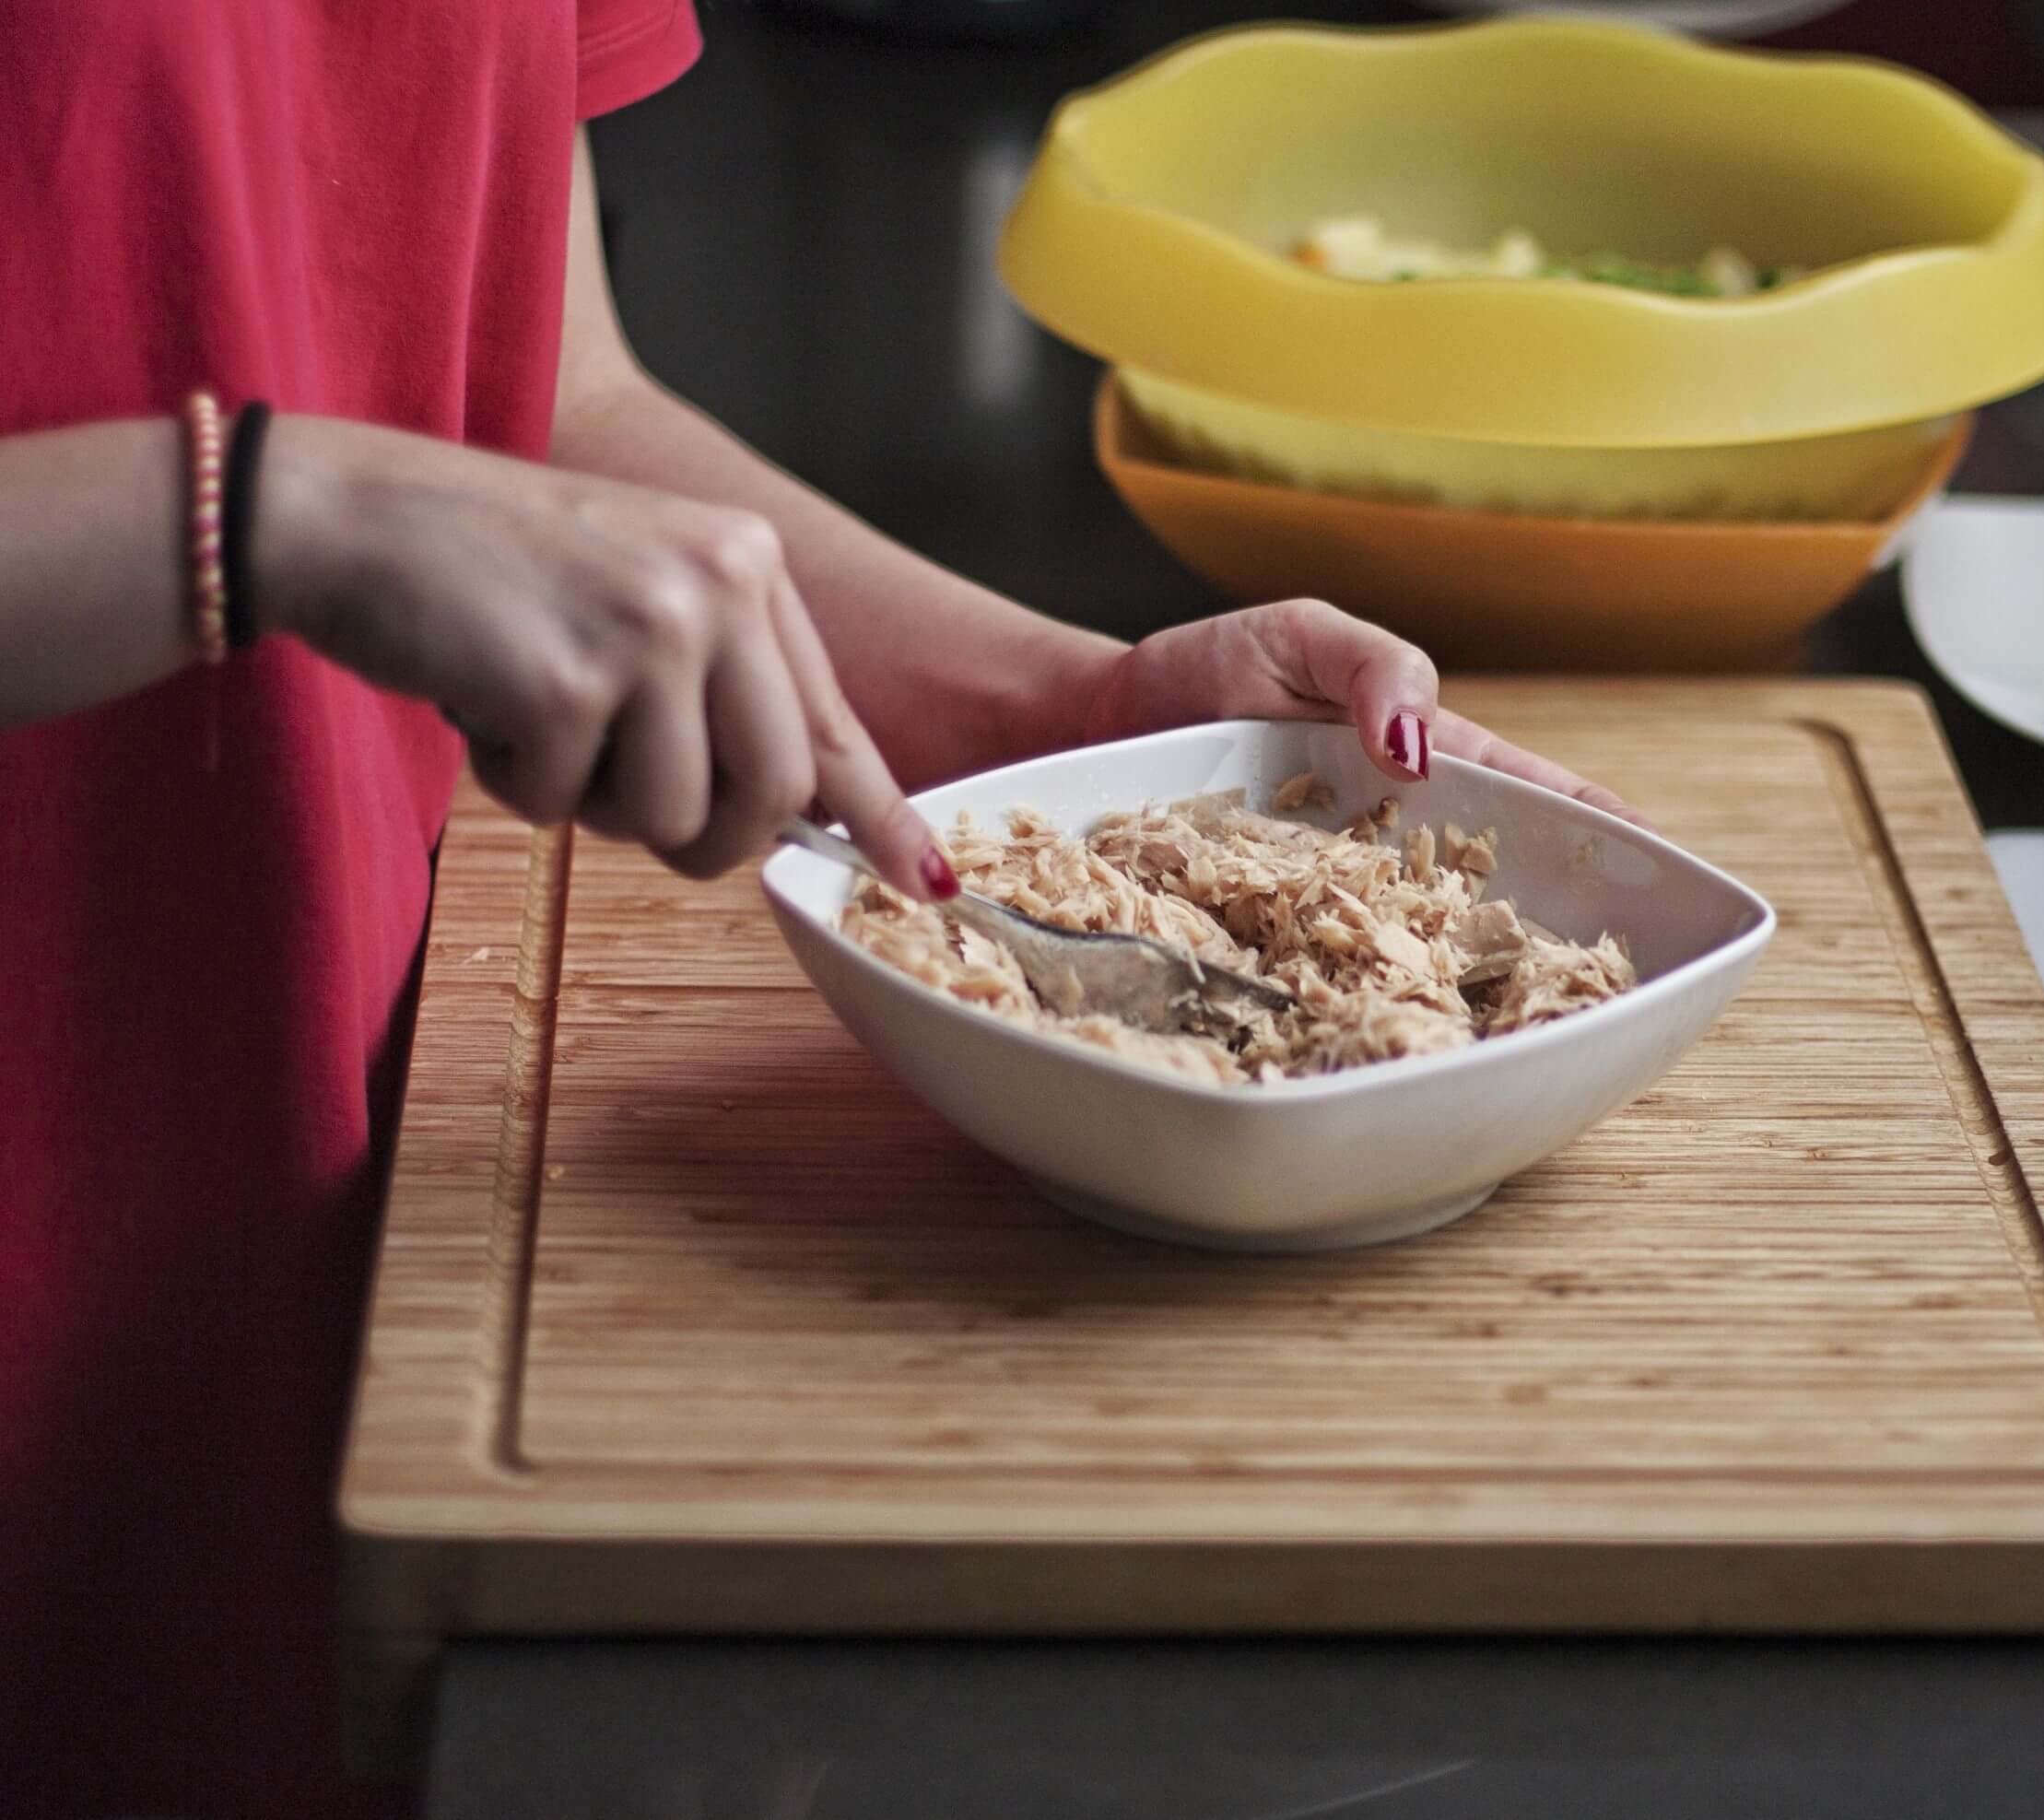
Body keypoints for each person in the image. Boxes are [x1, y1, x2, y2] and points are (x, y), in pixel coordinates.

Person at [0, 5, 1629, 1813]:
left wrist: (1055, 719)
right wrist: (260, 506)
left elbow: (536, 397)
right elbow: (369, 476)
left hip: (332, 1197)